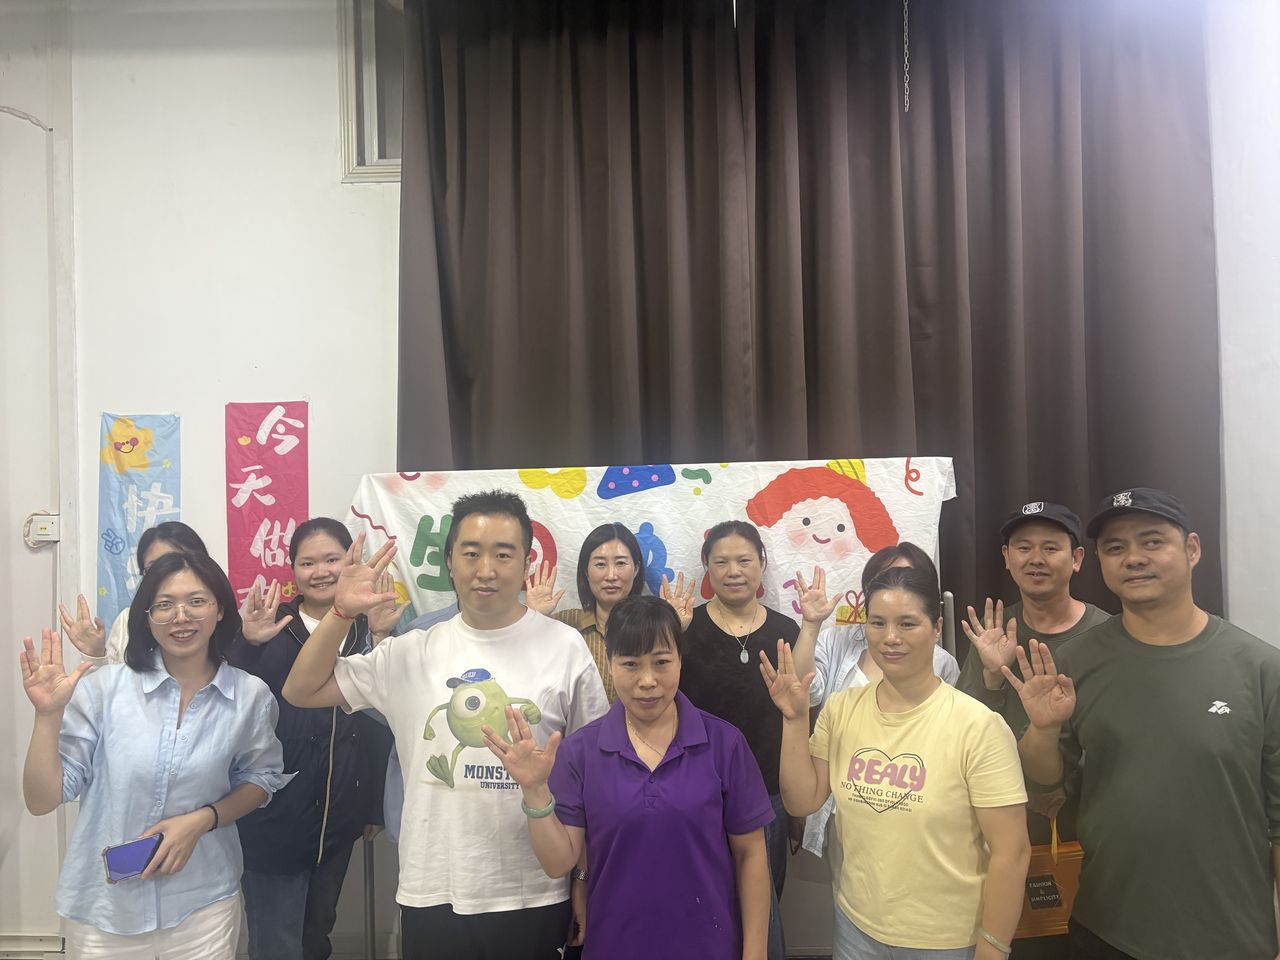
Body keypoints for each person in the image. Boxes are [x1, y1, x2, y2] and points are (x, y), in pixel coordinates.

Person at [281, 490, 609, 960]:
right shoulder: (412, 649)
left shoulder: (565, 647)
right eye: (471, 553)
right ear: (450, 562)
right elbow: (301, 690)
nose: (486, 570)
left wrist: (584, 879)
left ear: (526, 562)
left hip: (534, 891)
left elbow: (593, 777)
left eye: (503, 554)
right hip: (434, 888)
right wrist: (340, 612)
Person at [1005, 488, 1280, 960]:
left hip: (1232, 936)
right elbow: (1046, 788)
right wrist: (1044, 730)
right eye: (1115, 547)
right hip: (1107, 929)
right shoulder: (1073, 663)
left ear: (1192, 549)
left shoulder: (1259, 668)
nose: (1133, 558)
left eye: (1152, 541)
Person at [21, 552, 291, 959]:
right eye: (164, 605)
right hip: (106, 910)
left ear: (220, 609)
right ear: (146, 617)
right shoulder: (104, 690)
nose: (181, 616)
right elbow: (41, 800)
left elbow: (261, 779)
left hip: (202, 905)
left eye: (196, 601)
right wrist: (47, 716)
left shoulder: (249, 696)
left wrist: (203, 819)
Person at [480, 595, 772, 959]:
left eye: (661, 662)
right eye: (631, 664)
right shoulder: (580, 752)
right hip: (614, 945)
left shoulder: (724, 744)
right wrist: (534, 790)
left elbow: (751, 854)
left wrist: (755, 952)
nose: (647, 681)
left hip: (708, 946)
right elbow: (558, 863)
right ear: (610, 662)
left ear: (681, 660)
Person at [766, 561, 1030, 960]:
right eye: (878, 623)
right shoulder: (841, 708)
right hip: (855, 929)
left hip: (946, 941)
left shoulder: (978, 727)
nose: (890, 638)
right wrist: (794, 718)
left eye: (907, 624)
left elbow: (1012, 851)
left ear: (936, 628)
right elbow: (802, 801)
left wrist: (992, 949)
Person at [230, 517, 400, 960]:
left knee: (317, 935)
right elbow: (225, 705)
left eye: (331, 559)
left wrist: (373, 804)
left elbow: (380, 724)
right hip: (272, 814)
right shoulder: (270, 625)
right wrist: (245, 643)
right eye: (307, 563)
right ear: (293, 569)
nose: (320, 571)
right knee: (277, 944)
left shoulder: (366, 626)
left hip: (338, 818)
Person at [788, 542, 961, 863]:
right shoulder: (836, 642)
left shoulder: (943, 664)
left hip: (910, 809)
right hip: (836, 806)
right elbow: (801, 693)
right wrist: (811, 625)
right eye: (885, 579)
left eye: (907, 578)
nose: (896, 587)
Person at [678, 520, 797, 960]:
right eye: (721, 562)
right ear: (707, 567)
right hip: (697, 792)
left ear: (761, 564)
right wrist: (674, 630)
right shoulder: (685, 628)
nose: (733, 571)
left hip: (769, 794)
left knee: (765, 908)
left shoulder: (786, 631)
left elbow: (801, 713)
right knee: (703, 901)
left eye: (744, 560)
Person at [525, 522, 697, 704]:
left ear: (636, 569)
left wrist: (672, 629)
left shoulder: (657, 625)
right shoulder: (565, 624)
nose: (611, 575)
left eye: (621, 563)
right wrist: (533, 620)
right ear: (586, 571)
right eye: (600, 564)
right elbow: (530, 674)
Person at [60, 521, 210, 664]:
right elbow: (111, 680)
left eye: (176, 564)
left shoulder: (213, 615)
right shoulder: (127, 621)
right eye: (154, 568)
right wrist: (95, 655)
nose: (165, 574)